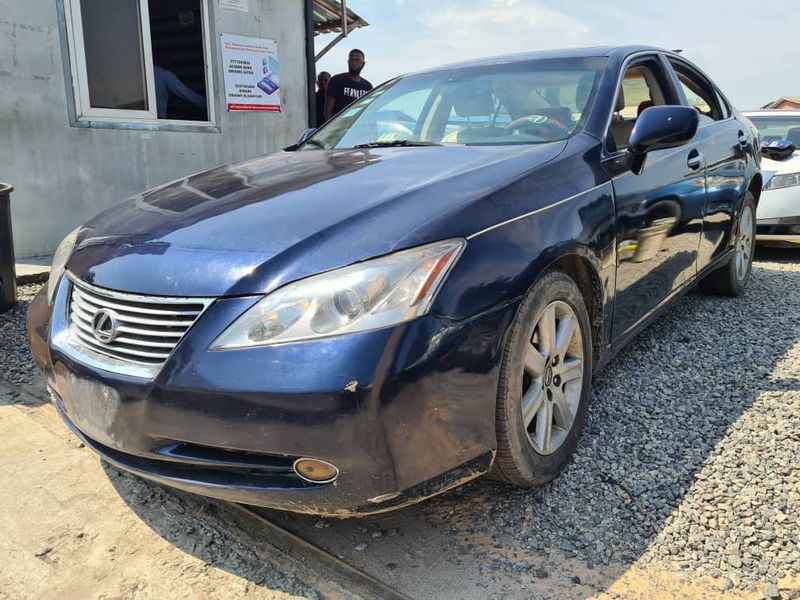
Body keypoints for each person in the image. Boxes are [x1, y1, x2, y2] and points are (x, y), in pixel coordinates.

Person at [324, 49, 372, 122]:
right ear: (348, 62)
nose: (354, 63)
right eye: (352, 60)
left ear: (363, 63)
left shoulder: (367, 86)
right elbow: (328, 111)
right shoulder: (337, 80)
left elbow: (369, 112)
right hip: (340, 128)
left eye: (357, 60)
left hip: (359, 128)